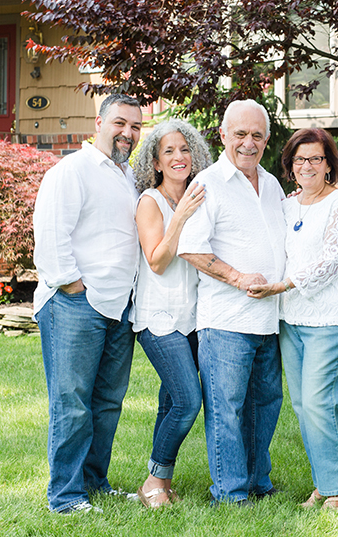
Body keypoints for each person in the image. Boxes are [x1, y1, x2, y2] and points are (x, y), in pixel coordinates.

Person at [32, 93, 143, 514]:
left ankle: (95, 483)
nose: (128, 133)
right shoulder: (72, 171)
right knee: (72, 402)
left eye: (135, 126)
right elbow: (51, 236)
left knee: (107, 402)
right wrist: (74, 288)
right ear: (98, 122)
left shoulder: (128, 175)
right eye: (120, 123)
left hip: (118, 307)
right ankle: (65, 496)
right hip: (75, 304)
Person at [178, 99, 287, 505]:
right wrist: (239, 277)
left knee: (265, 406)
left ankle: (258, 481)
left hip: (268, 320)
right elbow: (189, 247)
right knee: (227, 410)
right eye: (240, 134)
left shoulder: (272, 183)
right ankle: (230, 492)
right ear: (223, 135)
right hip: (225, 321)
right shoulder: (208, 182)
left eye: (257, 135)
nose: (248, 142)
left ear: (267, 139)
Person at [248, 128, 338, 510]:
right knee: (302, 406)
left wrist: (283, 285)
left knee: (318, 403)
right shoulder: (288, 205)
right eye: (299, 159)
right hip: (290, 319)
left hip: (330, 318)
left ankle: (337, 491)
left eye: (315, 158)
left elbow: (333, 260)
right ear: (290, 166)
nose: (307, 165)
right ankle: (324, 484)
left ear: (329, 164)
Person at [130, 119, 213, 508]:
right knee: (187, 401)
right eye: (169, 152)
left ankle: (161, 484)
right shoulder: (151, 202)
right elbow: (158, 262)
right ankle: (154, 480)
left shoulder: (200, 197)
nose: (179, 157)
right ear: (157, 162)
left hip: (195, 317)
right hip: (159, 319)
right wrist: (179, 217)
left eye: (185, 149)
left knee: (170, 403)